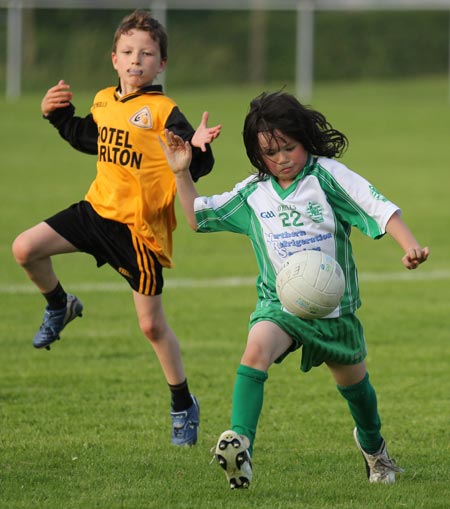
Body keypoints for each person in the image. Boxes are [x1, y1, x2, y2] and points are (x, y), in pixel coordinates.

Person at [159, 90, 429, 487]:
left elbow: (378, 207)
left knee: (358, 393)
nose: (282, 158)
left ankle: (375, 451)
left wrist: (409, 246)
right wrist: (182, 172)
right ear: (256, 154)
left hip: (333, 310)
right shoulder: (255, 192)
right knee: (255, 352)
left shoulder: (327, 176)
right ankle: (240, 442)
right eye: (271, 152)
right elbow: (200, 218)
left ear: (305, 139)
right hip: (279, 305)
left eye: (290, 147)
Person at [12, 9, 221, 447]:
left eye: (147, 53)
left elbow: (190, 163)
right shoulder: (106, 99)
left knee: (151, 327)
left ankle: (182, 403)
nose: (136, 60)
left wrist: (198, 148)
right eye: (127, 52)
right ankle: (59, 304)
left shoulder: (164, 112)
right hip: (95, 211)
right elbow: (88, 136)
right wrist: (58, 115)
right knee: (25, 248)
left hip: (137, 231)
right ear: (113, 58)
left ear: (161, 64)